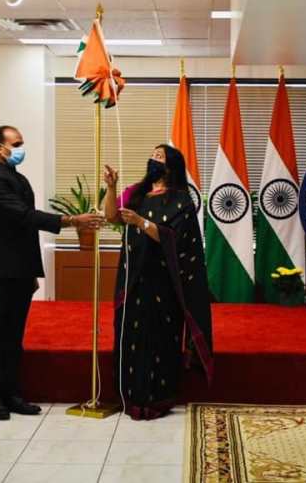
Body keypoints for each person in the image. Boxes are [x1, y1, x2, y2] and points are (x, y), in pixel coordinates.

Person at [0, 125, 103, 421]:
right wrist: (73, 220)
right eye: (16, 143)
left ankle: (12, 394)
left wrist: (31, 271)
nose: (21, 148)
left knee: (14, 334)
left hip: (19, 269)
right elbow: (24, 216)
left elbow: (25, 230)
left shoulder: (17, 178)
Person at [103, 144, 214, 420]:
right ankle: (131, 396)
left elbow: (175, 240)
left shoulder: (181, 201)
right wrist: (111, 188)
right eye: (152, 154)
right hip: (133, 279)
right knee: (131, 335)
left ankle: (157, 398)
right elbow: (111, 216)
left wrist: (141, 223)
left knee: (159, 337)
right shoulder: (136, 193)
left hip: (163, 283)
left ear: (171, 166)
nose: (153, 159)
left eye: (160, 156)